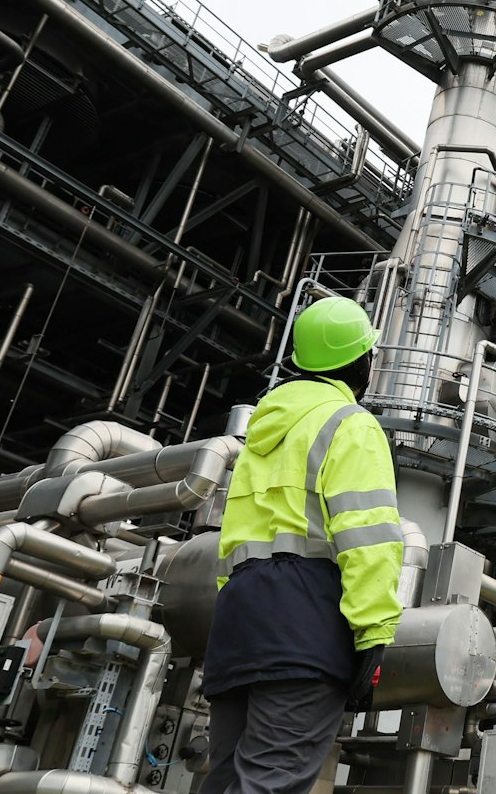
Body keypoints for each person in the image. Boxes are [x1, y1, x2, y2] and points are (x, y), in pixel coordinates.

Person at [202, 297, 405, 794]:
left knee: (226, 780)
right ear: (364, 361)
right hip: (305, 623)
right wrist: (374, 632)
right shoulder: (350, 423)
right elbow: (368, 538)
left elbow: (232, 541)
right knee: (271, 781)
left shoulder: (261, 434)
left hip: (237, 624)